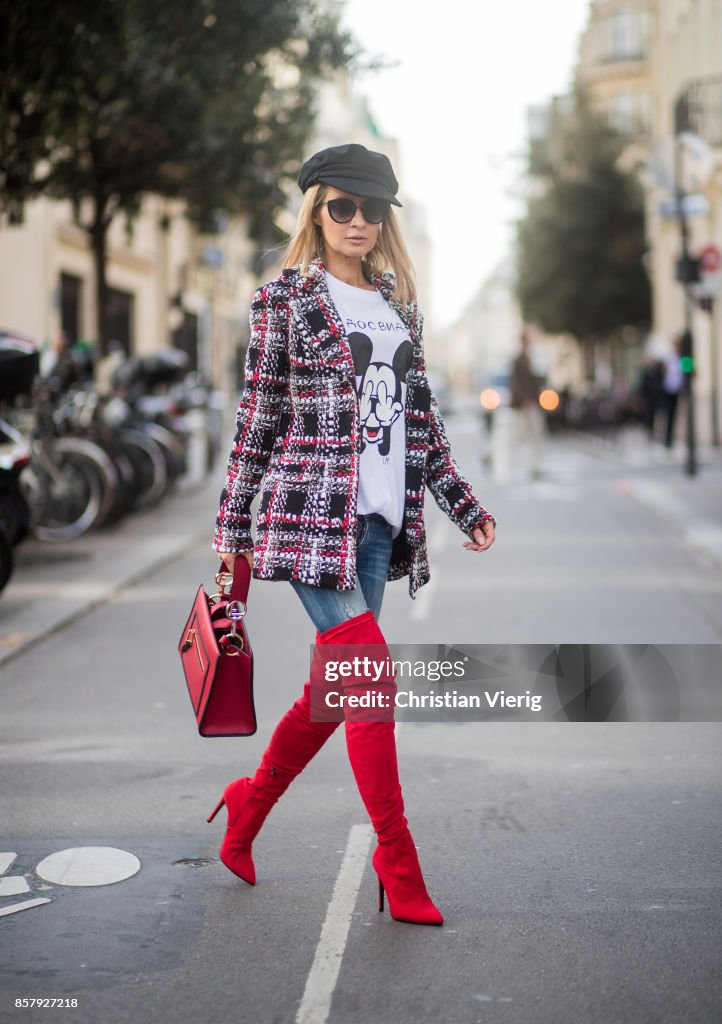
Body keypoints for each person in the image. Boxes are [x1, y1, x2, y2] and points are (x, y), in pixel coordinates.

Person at [210, 142, 496, 927]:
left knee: (334, 693)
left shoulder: (400, 306)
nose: (359, 222)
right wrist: (231, 528)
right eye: (343, 206)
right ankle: (398, 862)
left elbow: (421, 421)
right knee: (370, 684)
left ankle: (249, 803)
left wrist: (463, 505)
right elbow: (258, 420)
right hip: (310, 522)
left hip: (377, 528)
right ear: (316, 210)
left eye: (372, 209)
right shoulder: (285, 302)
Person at [510, 327, 544, 479]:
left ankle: (535, 467)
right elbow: (517, 382)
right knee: (524, 435)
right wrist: (526, 400)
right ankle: (532, 468)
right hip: (526, 404)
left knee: (532, 435)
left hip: (530, 403)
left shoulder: (529, 357)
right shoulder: (520, 359)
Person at [662, 337, 684, 450]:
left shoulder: (684, 358)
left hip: (678, 390)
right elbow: (664, 372)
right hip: (668, 390)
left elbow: (691, 371)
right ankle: (667, 440)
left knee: (675, 416)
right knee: (668, 415)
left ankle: (671, 440)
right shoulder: (669, 358)